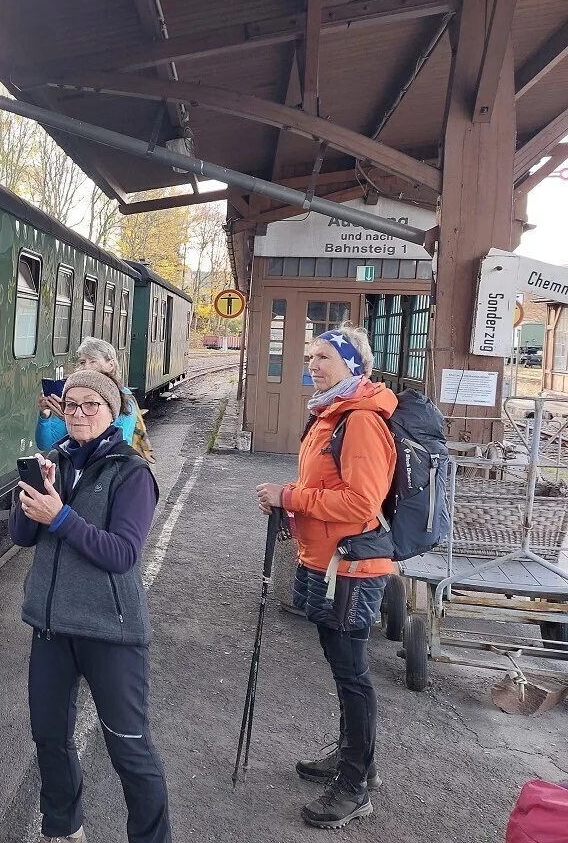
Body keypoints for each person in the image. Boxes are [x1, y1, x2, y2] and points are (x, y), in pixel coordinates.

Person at [11, 368, 170, 843]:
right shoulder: (54, 460)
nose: (78, 414)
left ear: (113, 411)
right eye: (71, 405)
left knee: (128, 748)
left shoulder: (132, 473)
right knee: (50, 738)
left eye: (90, 405)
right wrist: (31, 499)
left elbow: (121, 554)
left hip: (111, 630)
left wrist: (59, 515)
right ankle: (63, 828)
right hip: (52, 625)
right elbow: (22, 539)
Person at [255, 322, 396, 830]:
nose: (312, 365)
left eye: (324, 358)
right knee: (345, 671)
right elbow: (327, 488)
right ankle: (356, 760)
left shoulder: (359, 420)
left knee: (352, 673)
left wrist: (289, 496)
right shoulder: (330, 414)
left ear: (352, 366)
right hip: (327, 561)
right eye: (310, 356)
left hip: (352, 568)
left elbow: (362, 502)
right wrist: (292, 510)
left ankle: (355, 785)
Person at [36, 338, 140, 452]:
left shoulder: (124, 399)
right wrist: (44, 416)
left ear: (110, 365)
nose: (86, 367)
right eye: (82, 362)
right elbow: (46, 445)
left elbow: (113, 445)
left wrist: (70, 419)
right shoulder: (74, 399)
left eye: (92, 361)